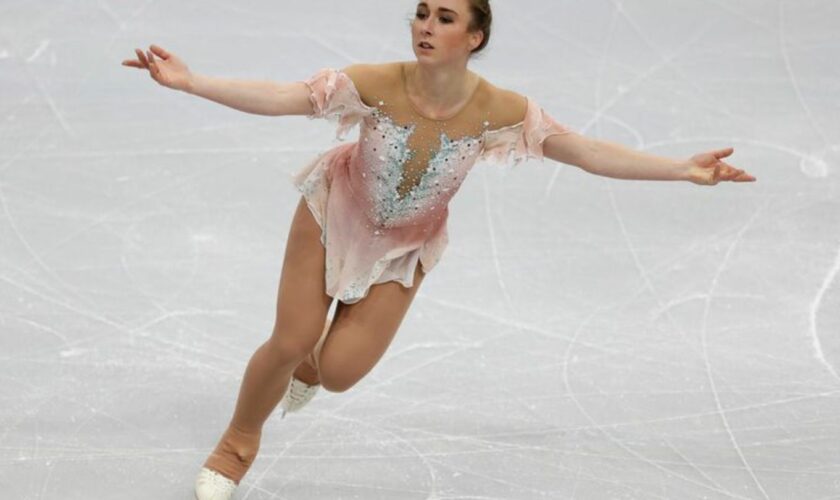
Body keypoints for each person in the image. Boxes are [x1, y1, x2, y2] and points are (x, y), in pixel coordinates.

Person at [121, 1, 756, 497]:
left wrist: (681, 169)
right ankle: (237, 442)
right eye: (421, 13)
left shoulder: (501, 111)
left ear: (474, 37)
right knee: (291, 338)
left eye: (444, 17)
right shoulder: (374, 82)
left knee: (335, 372)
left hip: (403, 248)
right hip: (332, 214)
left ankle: (312, 366)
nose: (425, 25)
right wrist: (190, 81)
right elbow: (285, 98)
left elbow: (585, 152)